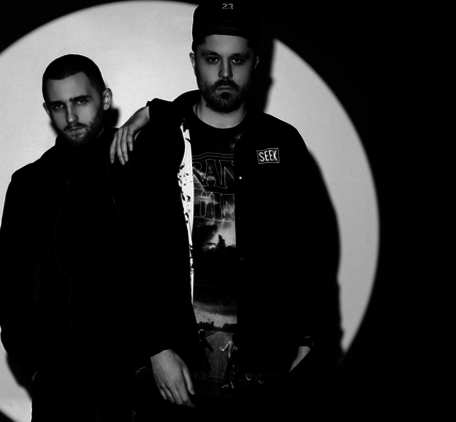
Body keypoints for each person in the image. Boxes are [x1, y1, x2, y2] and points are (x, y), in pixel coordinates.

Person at [110, 1, 327, 420]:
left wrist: (308, 340)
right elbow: (129, 255)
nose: (225, 73)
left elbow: (309, 252)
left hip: (264, 378)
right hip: (174, 376)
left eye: (237, 60)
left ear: (256, 63)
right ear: (194, 61)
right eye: (212, 59)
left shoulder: (283, 144)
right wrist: (155, 349)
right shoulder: (158, 143)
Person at [0, 54, 200, 421]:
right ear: (47, 110)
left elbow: (208, 103)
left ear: (104, 99)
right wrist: (39, 369)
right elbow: (13, 290)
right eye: (58, 106)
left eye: (80, 101)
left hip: (144, 382)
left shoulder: (141, 158)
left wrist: (149, 112)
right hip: (65, 389)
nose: (71, 116)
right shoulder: (30, 184)